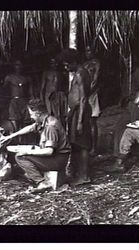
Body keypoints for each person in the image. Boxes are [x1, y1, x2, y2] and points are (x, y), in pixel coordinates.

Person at [1, 99, 71, 193]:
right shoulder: (45, 120)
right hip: (57, 157)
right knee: (26, 154)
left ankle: (42, 182)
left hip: (58, 159)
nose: (31, 117)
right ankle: (36, 177)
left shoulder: (50, 126)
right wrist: (11, 136)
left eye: (31, 114)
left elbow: (49, 151)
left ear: (38, 113)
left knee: (20, 157)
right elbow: (30, 128)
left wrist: (27, 151)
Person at [57, 48, 92, 185]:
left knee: (82, 144)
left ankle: (84, 176)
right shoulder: (79, 73)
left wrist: (80, 121)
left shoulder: (81, 74)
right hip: (76, 111)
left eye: (67, 64)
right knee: (76, 144)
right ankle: (79, 173)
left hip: (80, 112)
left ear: (73, 61)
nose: (66, 67)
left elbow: (83, 99)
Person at [1, 60, 34, 144]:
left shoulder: (27, 78)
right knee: (14, 123)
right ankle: (15, 142)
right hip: (14, 101)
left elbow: (30, 92)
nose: (19, 67)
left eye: (20, 65)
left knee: (26, 123)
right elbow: (4, 90)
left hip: (24, 101)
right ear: (14, 66)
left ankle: (25, 142)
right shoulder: (9, 77)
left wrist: (31, 102)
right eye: (17, 65)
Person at [83, 46, 101, 155]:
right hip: (84, 94)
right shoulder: (85, 64)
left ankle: (94, 148)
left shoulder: (96, 63)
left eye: (90, 50)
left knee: (92, 121)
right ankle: (87, 146)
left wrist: (87, 92)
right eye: (86, 50)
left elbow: (95, 80)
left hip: (91, 94)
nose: (88, 53)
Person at [40, 58, 68, 128]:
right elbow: (42, 87)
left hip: (58, 95)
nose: (54, 65)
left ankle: (59, 130)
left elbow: (65, 86)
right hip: (48, 94)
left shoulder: (60, 73)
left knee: (58, 115)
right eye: (52, 63)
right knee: (49, 113)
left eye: (55, 63)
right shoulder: (46, 73)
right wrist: (42, 99)